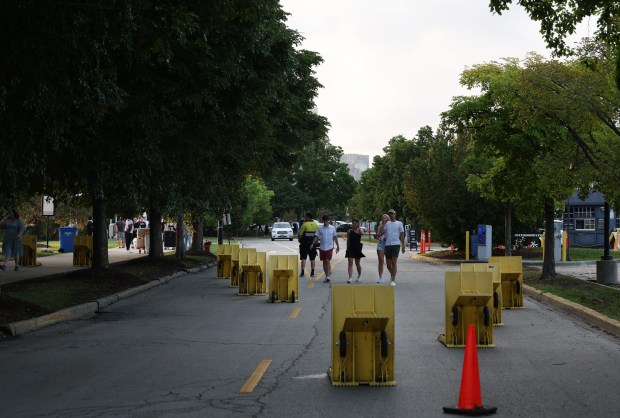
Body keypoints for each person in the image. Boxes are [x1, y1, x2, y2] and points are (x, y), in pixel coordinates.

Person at [312, 214, 339, 283]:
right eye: (324, 220)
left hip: (329, 247)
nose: (325, 222)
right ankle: (326, 275)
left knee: (327, 260)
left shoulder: (332, 228)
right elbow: (316, 236)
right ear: (323, 221)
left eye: (326, 220)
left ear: (328, 220)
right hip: (322, 247)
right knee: (324, 262)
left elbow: (335, 237)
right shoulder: (320, 228)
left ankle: (328, 276)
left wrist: (338, 246)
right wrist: (312, 244)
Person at [384, 209, 405, 286]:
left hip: (396, 244)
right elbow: (383, 233)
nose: (391, 215)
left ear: (395, 214)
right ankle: (392, 274)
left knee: (394, 262)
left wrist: (403, 246)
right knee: (388, 264)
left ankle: (393, 279)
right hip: (388, 245)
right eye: (389, 214)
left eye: (392, 214)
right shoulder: (387, 224)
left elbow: (402, 235)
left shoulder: (399, 223)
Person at [298, 212, 319, 277]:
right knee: (312, 258)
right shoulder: (316, 224)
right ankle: (312, 273)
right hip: (313, 244)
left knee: (303, 258)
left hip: (304, 244)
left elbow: (300, 234)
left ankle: (302, 272)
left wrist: (299, 240)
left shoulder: (304, 224)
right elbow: (317, 235)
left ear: (308, 217)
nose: (305, 218)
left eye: (305, 217)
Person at [345, 219, 365, 283]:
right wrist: (347, 248)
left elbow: (362, 233)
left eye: (355, 223)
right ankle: (350, 277)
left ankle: (359, 276)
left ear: (357, 224)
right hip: (350, 248)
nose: (353, 225)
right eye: (352, 223)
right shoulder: (349, 231)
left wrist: (359, 228)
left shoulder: (359, 230)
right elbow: (348, 240)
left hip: (357, 248)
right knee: (350, 262)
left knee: (357, 263)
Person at [375, 213, 389, 283]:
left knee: (389, 262)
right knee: (381, 261)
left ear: (388, 219)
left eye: (385, 218)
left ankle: (392, 276)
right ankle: (380, 277)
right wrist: (376, 237)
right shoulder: (380, 227)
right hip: (381, 244)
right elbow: (378, 237)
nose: (383, 219)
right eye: (383, 218)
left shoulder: (390, 226)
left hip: (388, 245)